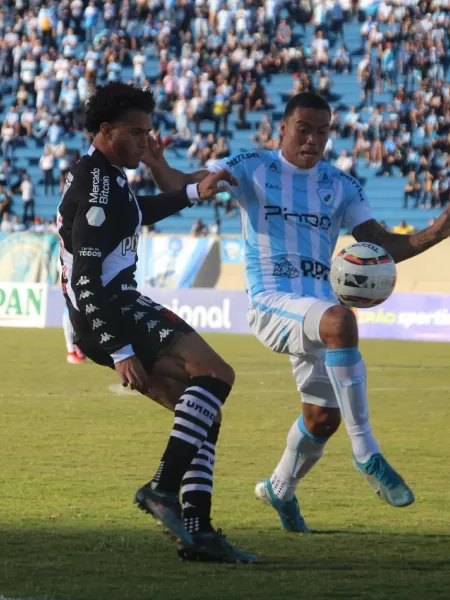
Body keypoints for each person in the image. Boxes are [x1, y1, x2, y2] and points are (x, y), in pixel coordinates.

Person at [144, 91, 450, 532]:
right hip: (272, 302)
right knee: (343, 320)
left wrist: (438, 231)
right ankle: (367, 453)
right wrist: (158, 166)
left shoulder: (341, 185)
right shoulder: (251, 166)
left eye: (322, 132)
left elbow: (385, 244)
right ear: (283, 128)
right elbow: (185, 186)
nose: (313, 140)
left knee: (322, 419)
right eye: (304, 129)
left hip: (316, 312)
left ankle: (279, 489)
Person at [57, 81, 255, 563]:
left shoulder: (108, 175)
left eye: (148, 132)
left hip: (111, 311)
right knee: (216, 375)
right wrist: (120, 349)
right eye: (136, 133)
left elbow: (141, 211)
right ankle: (162, 491)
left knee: (202, 413)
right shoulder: (99, 183)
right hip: (114, 308)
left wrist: (191, 190)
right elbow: (83, 277)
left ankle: (197, 532)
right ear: (105, 131)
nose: (146, 142)